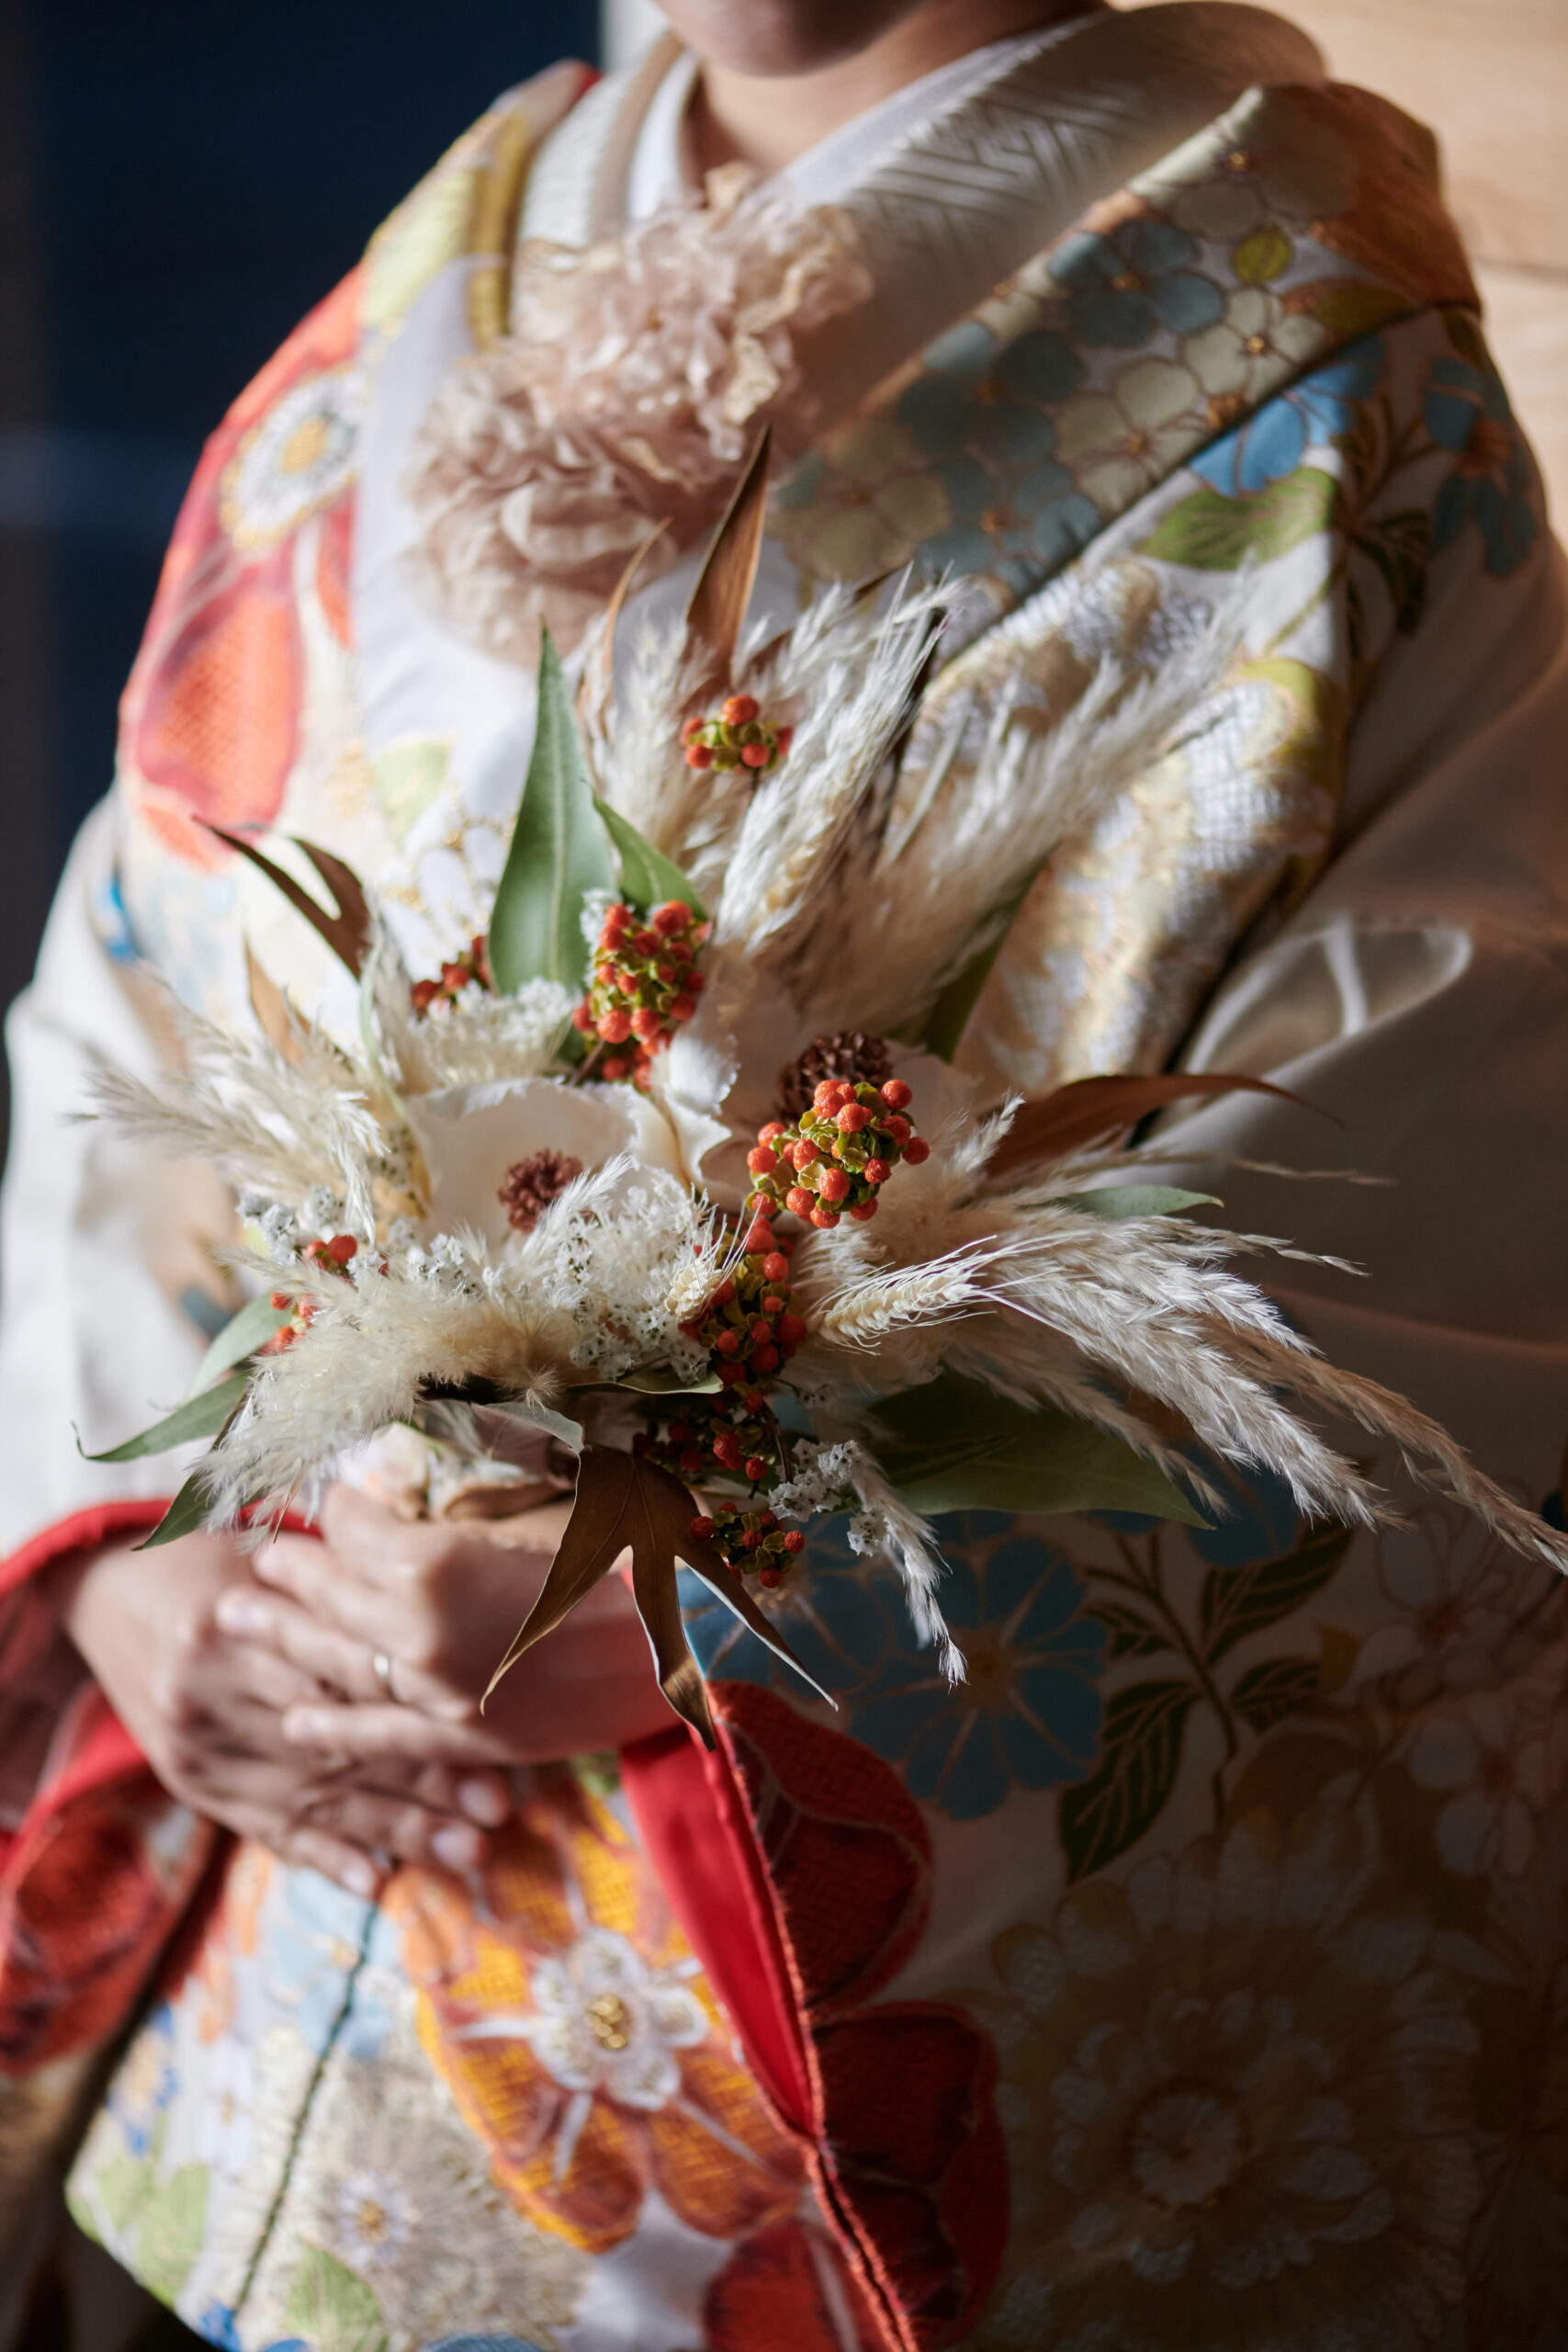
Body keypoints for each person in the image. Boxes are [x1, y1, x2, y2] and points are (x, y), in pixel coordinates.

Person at [3, 0, 1566, 2345]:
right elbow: (142, 967)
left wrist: (732, 1600)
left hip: (775, 2058)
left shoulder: (1315, 357)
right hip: (274, 1938)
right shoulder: (458, 255)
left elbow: (1407, 1211)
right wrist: (143, 1548)